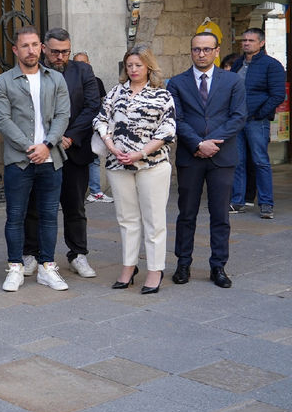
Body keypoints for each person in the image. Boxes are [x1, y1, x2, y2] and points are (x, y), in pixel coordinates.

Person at [0, 25, 71, 293]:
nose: (31, 50)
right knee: (15, 215)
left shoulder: (56, 80)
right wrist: (30, 147)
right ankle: (15, 266)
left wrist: (47, 145)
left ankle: (47, 267)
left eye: (35, 45)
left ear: (42, 48)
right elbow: (2, 120)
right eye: (25, 45)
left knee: (49, 216)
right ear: (16, 50)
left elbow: (63, 115)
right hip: (19, 161)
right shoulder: (3, 82)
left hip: (52, 159)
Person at [94, 45, 176, 295]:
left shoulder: (161, 95)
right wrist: (110, 145)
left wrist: (140, 153)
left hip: (152, 165)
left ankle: (155, 269)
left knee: (154, 220)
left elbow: (167, 130)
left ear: (148, 66)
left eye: (138, 65)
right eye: (129, 65)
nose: (133, 69)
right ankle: (129, 267)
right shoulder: (116, 92)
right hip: (118, 164)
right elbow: (101, 120)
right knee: (127, 219)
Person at [169, 32, 247, 289]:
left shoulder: (233, 81)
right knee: (186, 213)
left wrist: (212, 143)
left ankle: (218, 266)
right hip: (190, 157)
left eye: (206, 49)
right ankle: (183, 264)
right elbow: (176, 119)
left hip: (222, 157)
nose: (201, 54)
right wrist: (197, 144)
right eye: (196, 49)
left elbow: (237, 117)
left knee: (220, 215)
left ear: (216, 51)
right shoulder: (177, 83)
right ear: (190, 51)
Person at [23, 28, 101, 280]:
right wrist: (50, 140)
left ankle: (78, 253)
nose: (60, 56)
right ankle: (31, 254)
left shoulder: (83, 71)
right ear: (44, 48)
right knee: (34, 205)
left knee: (75, 205)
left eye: (65, 51)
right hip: (41, 150)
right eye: (55, 51)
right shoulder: (33, 72)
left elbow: (92, 106)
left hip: (73, 149)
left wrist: (70, 137)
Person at [229, 28, 286, 218]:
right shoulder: (238, 64)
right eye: (244, 40)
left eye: (251, 40)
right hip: (236, 121)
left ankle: (266, 203)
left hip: (256, 121)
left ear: (261, 43)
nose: (246, 43)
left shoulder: (272, 65)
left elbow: (278, 94)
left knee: (260, 161)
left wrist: (259, 113)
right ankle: (237, 201)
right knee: (238, 162)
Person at [74, 52, 113, 204]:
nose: (82, 66)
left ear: (89, 63)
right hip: (76, 128)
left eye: (84, 62)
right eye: (78, 63)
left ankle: (95, 191)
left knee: (94, 159)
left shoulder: (96, 81)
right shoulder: (69, 80)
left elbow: (102, 103)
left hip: (94, 126)